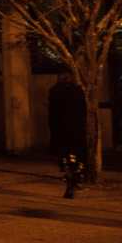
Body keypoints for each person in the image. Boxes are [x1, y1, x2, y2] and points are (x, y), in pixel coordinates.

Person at [48, 70, 87, 199]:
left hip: (61, 128)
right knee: (76, 154)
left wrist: (52, 126)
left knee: (61, 156)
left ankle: (70, 177)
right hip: (77, 128)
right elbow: (83, 110)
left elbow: (53, 111)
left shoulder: (55, 91)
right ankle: (75, 176)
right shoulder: (78, 90)